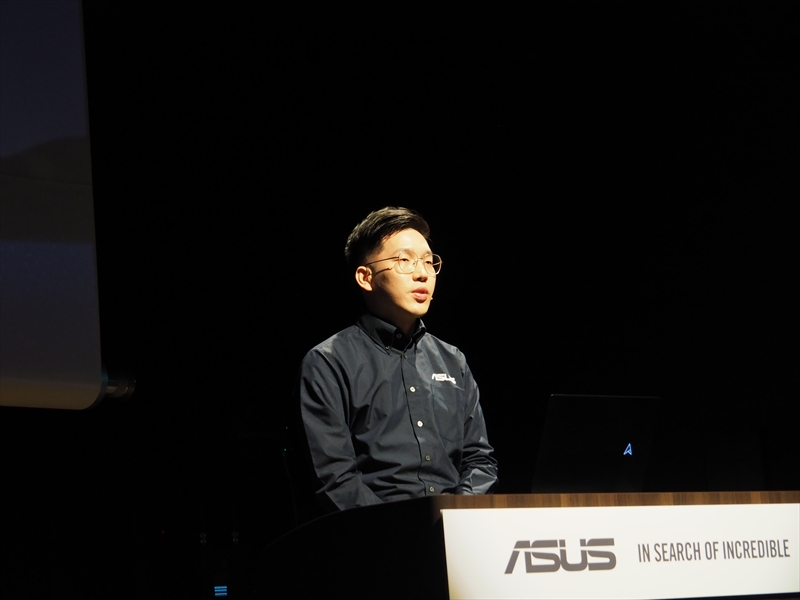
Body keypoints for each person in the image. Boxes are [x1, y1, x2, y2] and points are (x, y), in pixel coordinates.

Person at [298, 207, 497, 512]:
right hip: (374, 532)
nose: (422, 273)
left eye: (428, 261)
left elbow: (479, 460)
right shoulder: (328, 361)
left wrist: (457, 518)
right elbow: (335, 479)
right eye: (404, 260)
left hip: (454, 529)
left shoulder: (452, 360)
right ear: (366, 277)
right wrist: (402, 528)